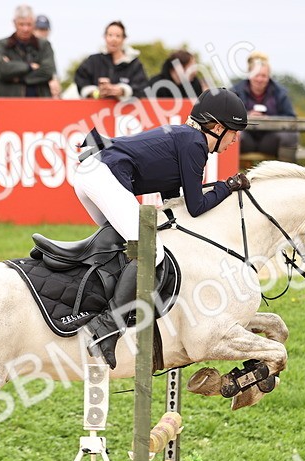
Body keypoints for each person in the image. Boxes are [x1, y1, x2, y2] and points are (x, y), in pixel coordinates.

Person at [75, 89, 250, 367]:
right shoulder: (195, 145)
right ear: (217, 127)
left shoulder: (184, 137)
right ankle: (106, 328)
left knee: (124, 247)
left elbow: (173, 202)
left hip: (91, 172)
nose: (235, 139)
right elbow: (196, 206)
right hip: (102, 175)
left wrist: (218, 190)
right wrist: (227, 186)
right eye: (234, 132)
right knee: (150, 251)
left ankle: (92, 303)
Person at [230, 53, 298, 162]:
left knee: (290, 135)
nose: (260, 79)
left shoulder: (280, 93)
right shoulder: (235, 91)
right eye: (256, 75)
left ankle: (286, 175)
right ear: (249, 75)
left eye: (263, 76)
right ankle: (227, 174)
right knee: (231, 134)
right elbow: (227, 116)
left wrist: (270, 120)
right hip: (245, 139)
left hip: (270, 140)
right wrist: (247, 117)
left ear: (269, 76)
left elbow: (291, 118)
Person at [73, 20, 148, 101]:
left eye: (118, 36)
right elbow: (81, 82)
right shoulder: (92, 61)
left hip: (125, 111)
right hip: (96, 112)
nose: (113, 39)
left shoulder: (134, 64)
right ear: (105, 37)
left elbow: (142, 88)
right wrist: (96, 93)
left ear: (124, 39)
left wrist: (122, 91)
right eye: (110, 35)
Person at [0, 5, 55, 98]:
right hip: (10, 104)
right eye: (21, 24)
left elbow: (48, 71)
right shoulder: (1, 45)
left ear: (34, 24)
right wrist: (29, 67)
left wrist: (18, 78)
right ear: (14, 23)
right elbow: (2, 70)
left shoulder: (44, 45)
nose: (25, 29)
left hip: (39, 104)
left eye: (29, 24)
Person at [32, 15, 62, 99]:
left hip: (46, 95)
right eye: (39, 29)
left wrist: (54, 80)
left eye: (45, 29)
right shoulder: (28, 48)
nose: (42, 33)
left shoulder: (48, 48)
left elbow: (52, 71)